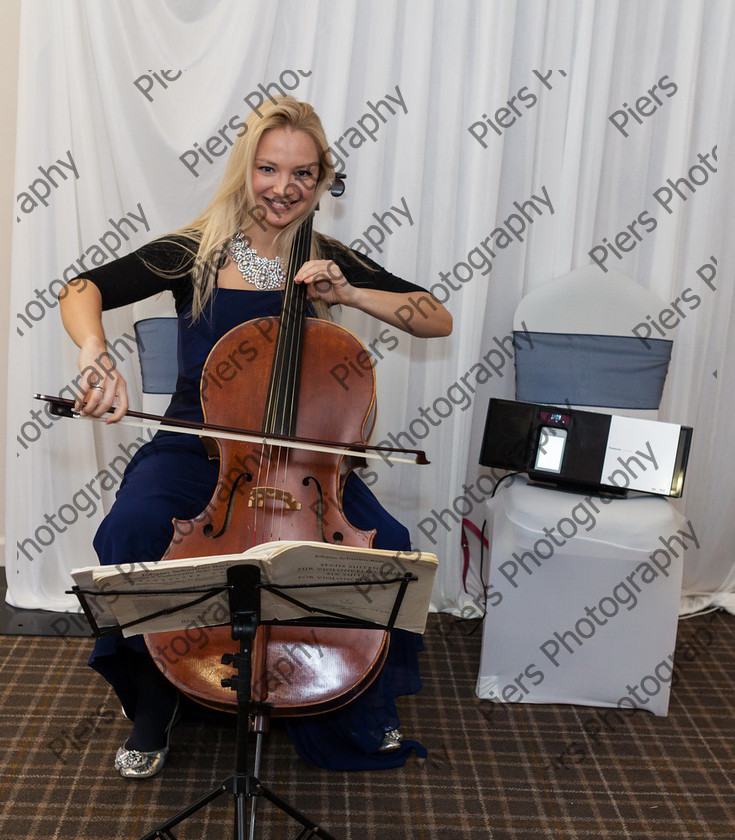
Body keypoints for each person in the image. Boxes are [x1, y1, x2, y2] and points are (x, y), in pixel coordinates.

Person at [59, 96, 452, 778]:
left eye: (303, 173)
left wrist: (350, 294)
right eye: (269, 169)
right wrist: (94, 352)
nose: (284, 188)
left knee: (386, 548)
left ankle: (344, 700)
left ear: (324, 178)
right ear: (246, 172)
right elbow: (82, 288)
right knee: (131, 534)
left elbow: (434, 319)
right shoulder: (195, 252)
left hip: (305, 464)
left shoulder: (327, 258)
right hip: (194, 448)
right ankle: (155, 706)